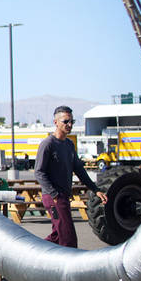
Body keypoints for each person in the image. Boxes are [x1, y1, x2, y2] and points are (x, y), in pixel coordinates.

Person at [34, 106, 107, 247]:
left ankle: (29, 255)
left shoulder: (69, 144)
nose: (69, 125)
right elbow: (39, 172)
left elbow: (79, 169)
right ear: (56, 122)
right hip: (53, 197)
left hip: (64, 196)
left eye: (72, 121)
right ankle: (71, 266)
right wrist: (54, 194)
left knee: (57, 236)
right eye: (66, 121)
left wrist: (95, 189)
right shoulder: (48, 144)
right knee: (68, 238)